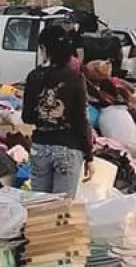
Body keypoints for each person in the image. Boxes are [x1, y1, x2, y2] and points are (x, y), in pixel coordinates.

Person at [24, 25, 94, 197]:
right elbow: (81, 120)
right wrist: (89, 155)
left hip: (40, 147)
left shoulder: (34, 76)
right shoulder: (75, 78)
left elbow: (27, 117)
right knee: (61, 210)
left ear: (45, 48)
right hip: (68, 149)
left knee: (39, 208)